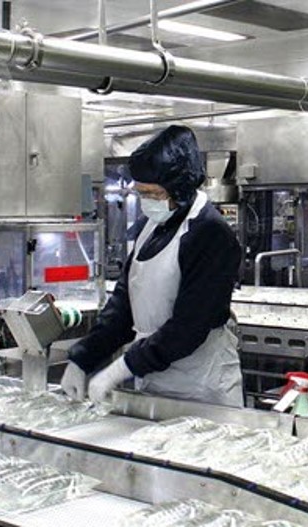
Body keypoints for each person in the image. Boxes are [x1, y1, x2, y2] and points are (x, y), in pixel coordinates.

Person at [61, 125, 243, 407]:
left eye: (154, 194)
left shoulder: (211, 233)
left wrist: (120, 369)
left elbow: (188, 327)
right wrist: (83, 357)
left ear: (180, 188)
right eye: (141, 193)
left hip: (201, 387)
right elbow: (123, 304)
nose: (147, 201)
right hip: (153, 378)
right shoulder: (151, 226)